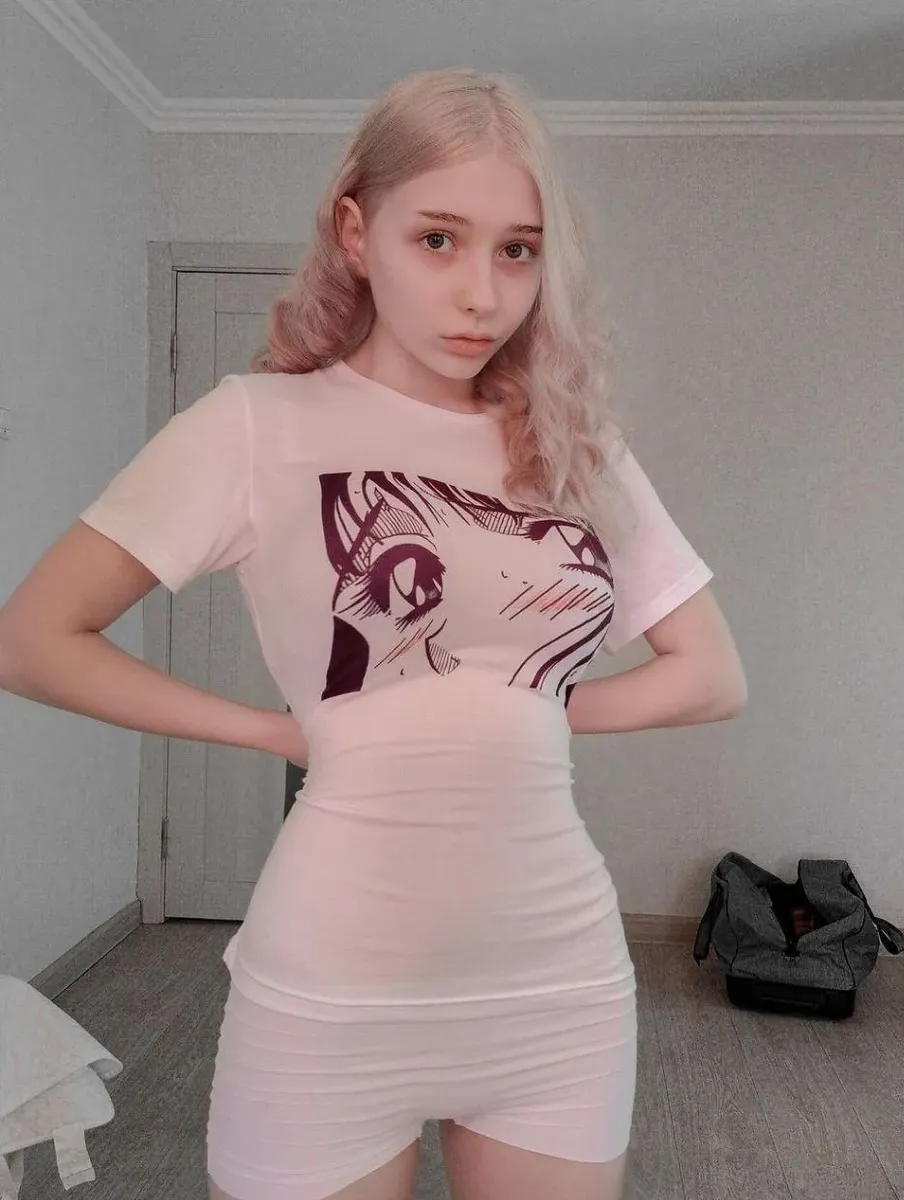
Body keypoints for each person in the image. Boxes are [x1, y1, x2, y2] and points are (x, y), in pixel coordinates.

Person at [0, 66, 746, 1200]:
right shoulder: (255, 426)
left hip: (556, 991)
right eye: (437, 239)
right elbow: (33, 638)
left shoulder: (572, 443)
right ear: (357, 233)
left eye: (517, 250)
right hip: (330, 995)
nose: (481, 293)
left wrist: (525, 709)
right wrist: (275, 730)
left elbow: (710, 675)